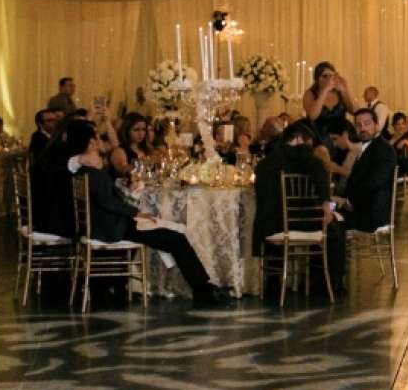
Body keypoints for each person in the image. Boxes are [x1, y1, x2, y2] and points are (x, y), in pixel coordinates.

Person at [64, 121, 228, 306]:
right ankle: (203, 291)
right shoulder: (92, 169)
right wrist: (137, 213)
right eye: (96, 137)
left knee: (171, 234)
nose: (100, 140)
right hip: (113, 226)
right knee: (176, 238)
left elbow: (104, 195)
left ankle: (202, 288)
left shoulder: (83, 168)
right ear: (91, 143)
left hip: (106, 223)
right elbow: (106, 201)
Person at [254, 121, 343, 299]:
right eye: (307, 143)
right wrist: (327, 203)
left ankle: (273, 282)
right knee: (335, 226)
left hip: (269, 225)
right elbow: (319, 170)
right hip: (301, 222)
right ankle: (329, 283)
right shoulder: (303, 156)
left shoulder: (265, 163)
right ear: (298, 139)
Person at [336, 108, 396, 232]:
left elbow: (374, 182)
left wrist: (347, 201)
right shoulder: (367, 148)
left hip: (370, 215)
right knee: (323, 209)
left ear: (377, 126)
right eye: (358, 125)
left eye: (367, 123)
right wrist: (337, 200)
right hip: (356, 208)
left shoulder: (383, 149)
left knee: (325, 220)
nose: (362, 128)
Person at [106, 112, 152, 180]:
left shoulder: (144, 148)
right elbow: (123, 170)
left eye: (143, 129)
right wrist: (142, 164)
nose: (141, 133)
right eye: (136, 130)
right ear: (127, 130)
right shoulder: (119, 151)